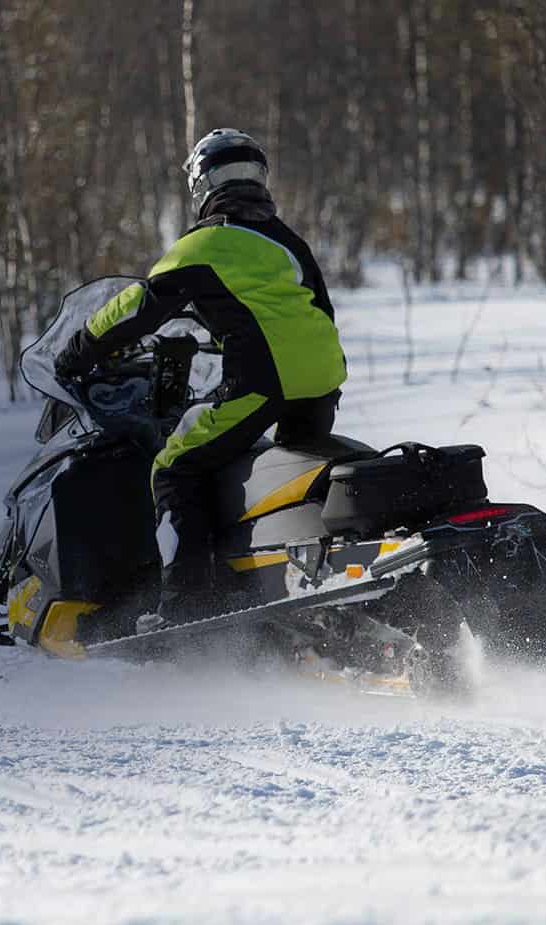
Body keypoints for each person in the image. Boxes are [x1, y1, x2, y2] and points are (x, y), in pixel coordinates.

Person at [55, 128, 347, 630]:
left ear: (202, 185)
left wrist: (78, 350)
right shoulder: (287, 241)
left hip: (263, 380)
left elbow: (138, 308)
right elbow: (320, 308)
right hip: (323, 377)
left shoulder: (201, 245)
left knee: (175, 467)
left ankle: (185, 610)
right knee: (284, 473)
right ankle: (276, 575)